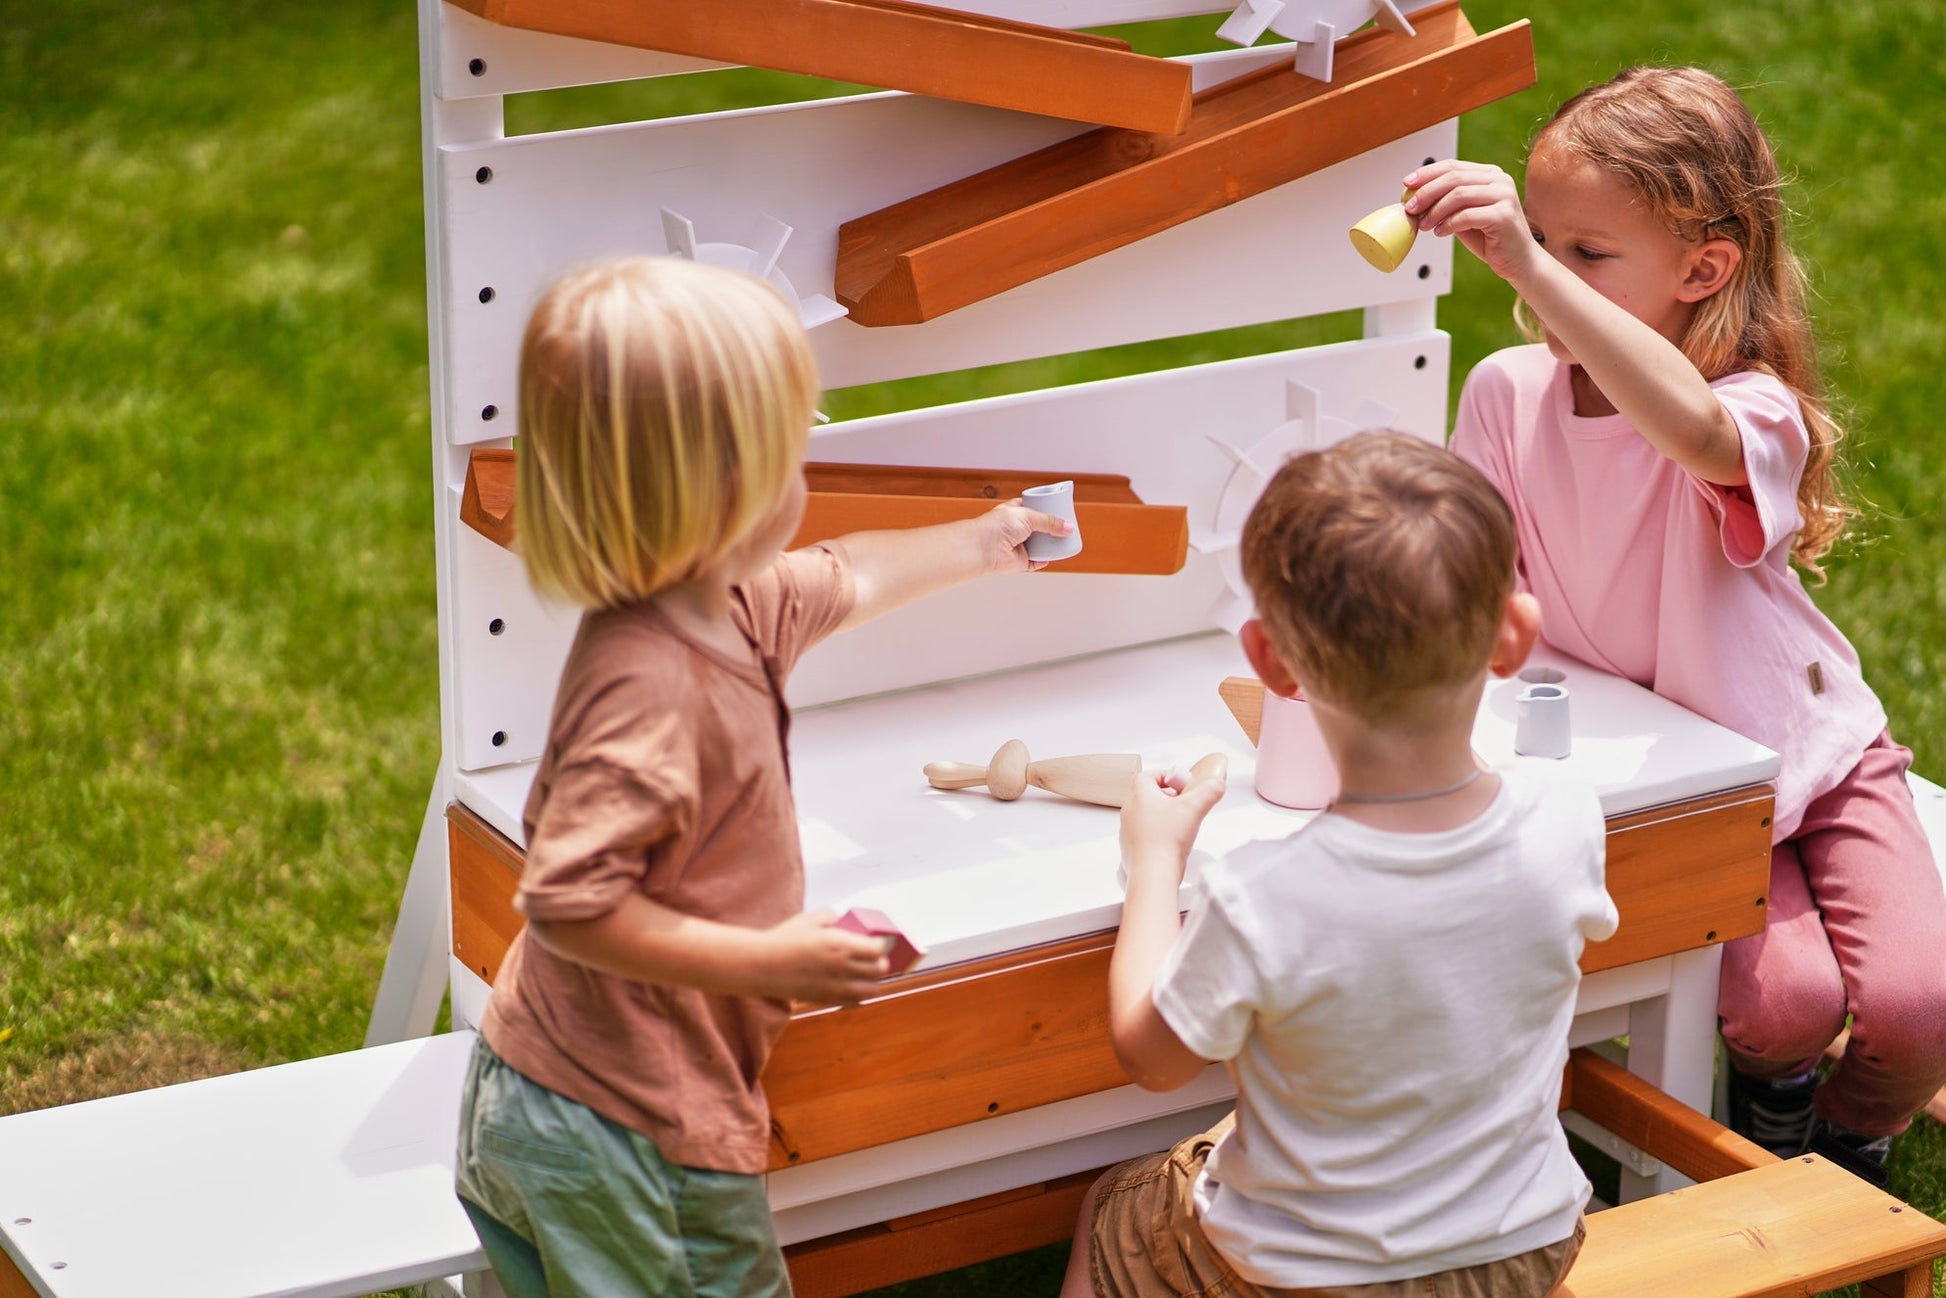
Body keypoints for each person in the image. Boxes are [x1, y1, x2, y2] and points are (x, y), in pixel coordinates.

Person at [452, 254, 1069, 1296]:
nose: (807, 474)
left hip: (554, 1090)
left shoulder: (727, 600)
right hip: (626, 1134)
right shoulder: (645, 687)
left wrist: (983, 539)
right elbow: (565, 901)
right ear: (725, 487)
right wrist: (765, 957)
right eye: (796, 446)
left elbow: (849, 573)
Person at [1421, 65, 1946, 1185]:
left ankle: (1855, 1142)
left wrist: (1519, 257)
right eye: (1542, 240)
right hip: (1687, 776)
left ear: (1701, 268)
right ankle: (1775, 1123)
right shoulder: (1506, 395)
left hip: (1818, 754)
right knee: (1780, 1005)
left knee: (1916, 1007)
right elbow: (1470, 590)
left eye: (1585, 254)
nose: (1545, 275)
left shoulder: (1752, 411)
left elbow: (1691, 432)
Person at [1061, 432, 1618, 1298]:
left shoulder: (1262, 897)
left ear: (1270, 662)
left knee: (1117, 1207)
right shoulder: (1568, 818)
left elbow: (1151, 1058)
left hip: (1311, 1282)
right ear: (1514, 638)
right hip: (1525, 1251)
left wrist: (1156, 861)